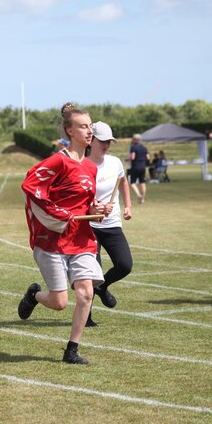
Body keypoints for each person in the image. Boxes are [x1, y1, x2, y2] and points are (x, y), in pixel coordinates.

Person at [18, 103, 106, 364]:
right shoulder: (58, 160)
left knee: (86, 293)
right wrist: (59, 214)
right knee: (58, 303)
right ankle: (33, 295)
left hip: (82, 239)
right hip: (53, 241)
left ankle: (72, 350)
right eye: (83, 126)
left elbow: (87, 204)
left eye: (90, 126)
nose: (89, 131)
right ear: (69, 130)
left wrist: (96, 208)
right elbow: (30, 185)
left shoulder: (91, 167)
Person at [84, 121, 133, 327]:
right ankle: (85, 316)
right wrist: (92, 207)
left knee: (124, 265)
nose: (106, 145)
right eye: (102, 141)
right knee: (92, 273)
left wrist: (128, 205)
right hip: (88, 225)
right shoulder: (82, 166)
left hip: (112, 224)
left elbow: (122, 182)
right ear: (91, 140)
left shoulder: (115, 163)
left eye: (109, 142)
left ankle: (103, 287)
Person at [129, 134, 149, 203]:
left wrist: (127, 159)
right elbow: (148, 157)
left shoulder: (133, 147)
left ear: (134, 139)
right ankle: (143, 199)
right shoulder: (144, 148)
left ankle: (138, 194)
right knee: (142, 182)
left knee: (132, 182)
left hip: (135, 166)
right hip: (143, 166)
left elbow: (133, 157)